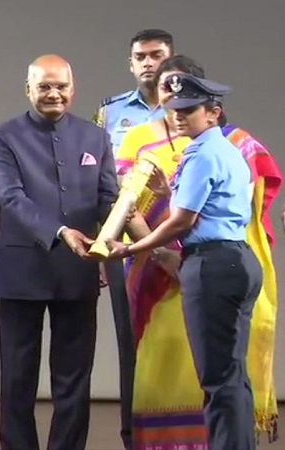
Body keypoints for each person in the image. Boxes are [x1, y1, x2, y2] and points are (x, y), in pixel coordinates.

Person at [116, 56, 282, 448]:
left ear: (213, 112)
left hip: (212, 265)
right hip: (237, 260)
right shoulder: (225, 148)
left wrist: (134, 246)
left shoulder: (200, 153)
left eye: (188, 110)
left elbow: (182, 222)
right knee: (232, 376)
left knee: (217, 379)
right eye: (173, 109)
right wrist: (163, 193)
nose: (177, 116)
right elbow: (208, 205)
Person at [0, 54, 118, 450]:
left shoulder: (96, 137)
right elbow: (10, 197)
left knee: (74, 378)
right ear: (28, 89)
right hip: (20, 271)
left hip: (79, 271)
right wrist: (61, 231)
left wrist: (121, 229)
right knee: (17, 378)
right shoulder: (4, 135)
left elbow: (108, 198)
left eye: (61, 86)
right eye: (44, 86)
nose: (53, 93)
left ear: (73, 90)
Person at [92, 29, 175, 449]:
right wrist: (103, 241)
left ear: (170, 59)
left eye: (156, 55)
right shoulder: (110, 113)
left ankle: (182, 432)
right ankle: (133, 435)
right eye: (140, 56)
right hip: (126, 245)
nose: (148, 63)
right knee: (132, 341)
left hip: (180, 238)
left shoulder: (190, 108)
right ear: (130, 63)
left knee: (181, 339)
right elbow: (100, 181)